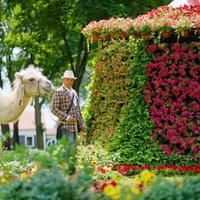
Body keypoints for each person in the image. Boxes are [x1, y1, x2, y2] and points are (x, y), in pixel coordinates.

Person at [51, 70, 86, 144]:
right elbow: (54, 109)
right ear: (63, 80)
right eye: (67, 79)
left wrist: (82, 124)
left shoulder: (74, 92)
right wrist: (67, 117)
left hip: (75, 128)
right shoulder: (58, 92)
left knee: (73, 153)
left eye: (71, 80)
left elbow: (78, 111)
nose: (70, 82)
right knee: (67, 153)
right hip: (65, 128)